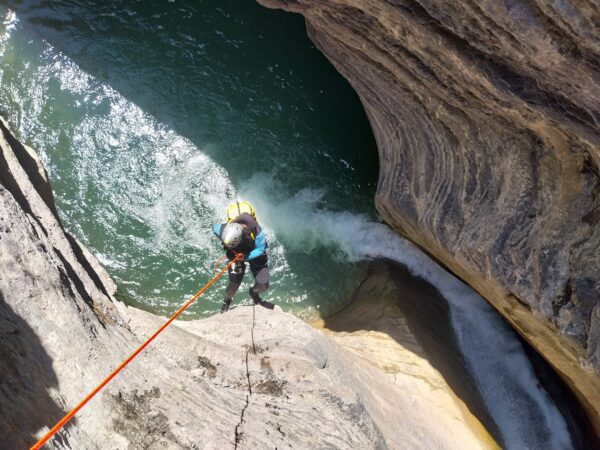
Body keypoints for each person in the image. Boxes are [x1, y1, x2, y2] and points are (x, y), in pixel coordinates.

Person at [213, 202, 274, 313]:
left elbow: (260, 250)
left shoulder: (257, 232)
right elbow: (214, 227)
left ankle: (253, 292)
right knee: (233, 285)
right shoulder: (222, 230)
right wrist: (235, 255)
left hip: (254, 251)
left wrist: (245, 257)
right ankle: (226, 301)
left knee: (263, 285)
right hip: (236, 255)